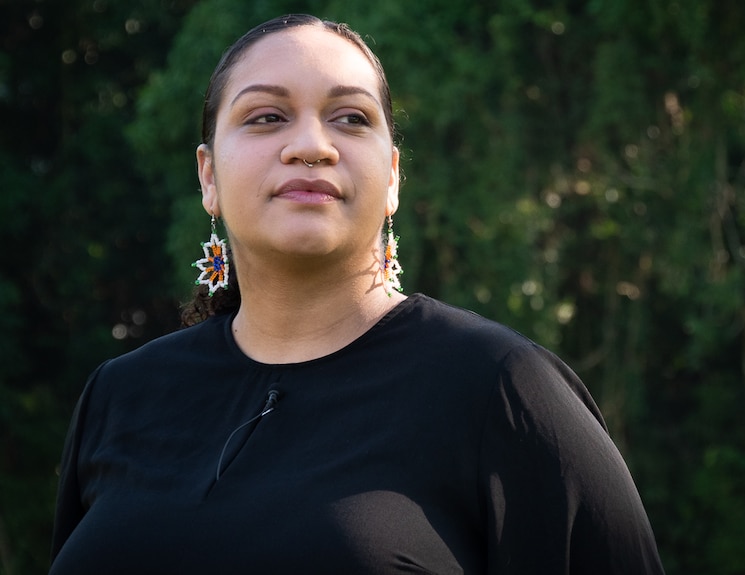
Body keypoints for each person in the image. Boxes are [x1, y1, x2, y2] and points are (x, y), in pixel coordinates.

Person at [49, 14, 664, 574]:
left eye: (351, 118)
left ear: (393, 176)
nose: (311, 146)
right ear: (208, 176)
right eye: (266, 117)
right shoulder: (120, 395)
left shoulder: (501, 390)